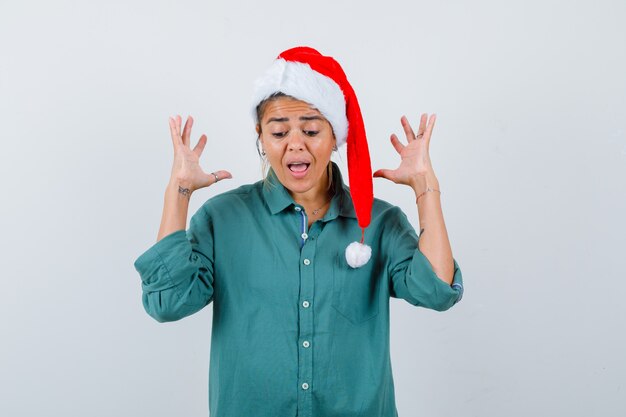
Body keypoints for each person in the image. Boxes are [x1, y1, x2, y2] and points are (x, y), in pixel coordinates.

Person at [133, 46, 464, 417]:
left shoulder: (379, 223)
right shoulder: (223, 218)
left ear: (335, 136)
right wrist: (179, 191)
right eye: (278, 131)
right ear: (261, 136)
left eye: (310, 130)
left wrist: (424, 188)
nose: (295, 143)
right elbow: (166, 302)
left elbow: (438, 291)